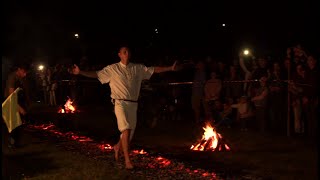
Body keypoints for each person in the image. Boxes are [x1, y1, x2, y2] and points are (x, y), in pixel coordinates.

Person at [70, 46, 177, 169]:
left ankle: (117, 146)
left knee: (129, 134)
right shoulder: (113, 68)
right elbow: (97, 74)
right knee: (125, 129)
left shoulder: (137, 68)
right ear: (119, 54)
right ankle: (127, 161)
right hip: (119, 103)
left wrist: (170, 68)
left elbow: (153, 70)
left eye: (128, 51)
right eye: (124, 52)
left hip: (133, 104)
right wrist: (81, 72)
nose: (127, 53)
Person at [2, 63, 29, 149]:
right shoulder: (12, 77)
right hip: (11, 103)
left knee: (19, 124)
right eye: (24, 72)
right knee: (14, 124)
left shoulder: (20, 78)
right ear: (19, 69)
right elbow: (11, 95)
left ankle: (16, 142)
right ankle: (12, 143)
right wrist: (19, 108)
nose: (25, 74)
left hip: (18, 101)